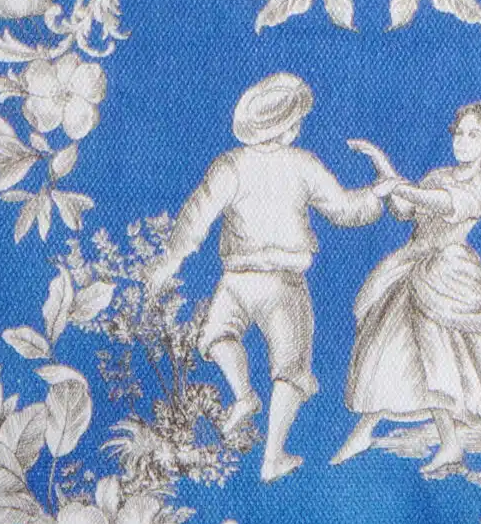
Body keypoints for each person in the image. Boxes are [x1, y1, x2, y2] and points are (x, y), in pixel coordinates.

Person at [145, 73, 388, 481]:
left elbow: (196, 216)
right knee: (289, 369)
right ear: (289, 128)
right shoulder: (303, 164)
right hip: (282, 283)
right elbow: (345, 210)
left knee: (217, 337)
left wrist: (171, 261)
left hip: (237, 279)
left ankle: (243, 396)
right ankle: (272, 456)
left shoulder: (230, 165)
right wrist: (376, 195)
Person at [330, 102, 481, 478]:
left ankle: (447, 444)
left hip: (448, 274)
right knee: (389, 348)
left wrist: (400, 186)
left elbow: (447, 204)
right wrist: (383, 167)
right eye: (459, 133)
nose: (462, 141)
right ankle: (366, 431)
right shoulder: (438, 175)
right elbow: (405, 209)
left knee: (437, 359)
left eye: (473, 135)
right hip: (412, 265)